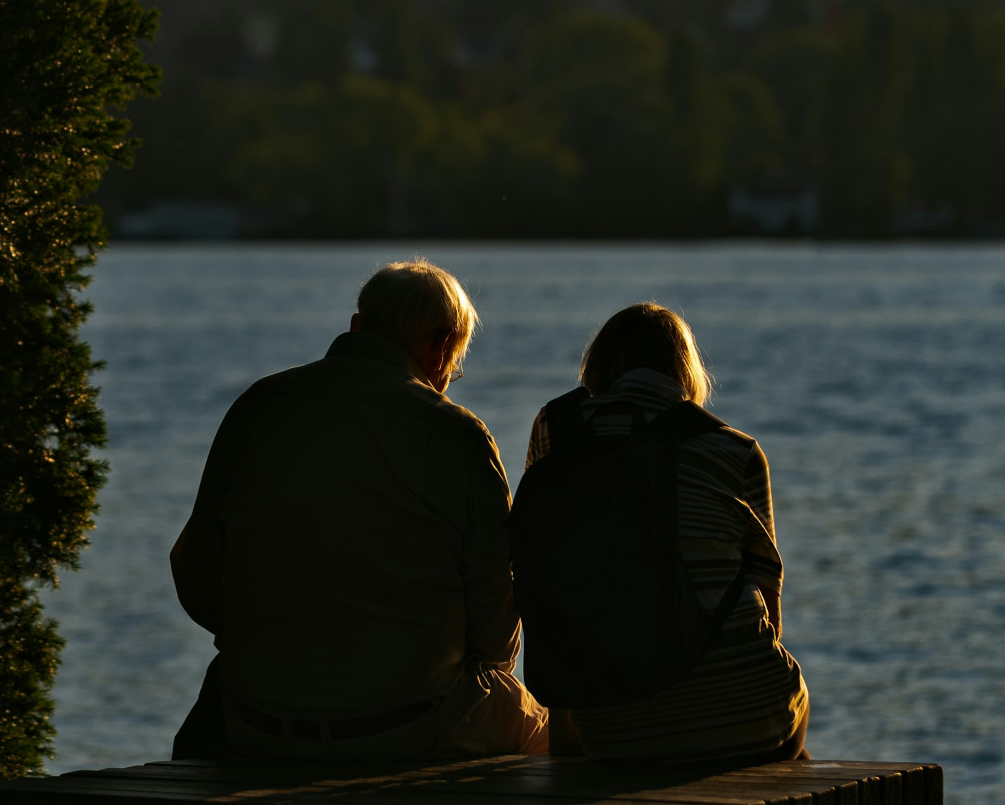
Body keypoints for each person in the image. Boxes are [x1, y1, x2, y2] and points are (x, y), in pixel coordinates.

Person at [170, 259, 547, 765]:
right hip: (408, 730)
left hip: (255, 723)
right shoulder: (457, 434)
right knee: (553, 732)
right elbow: (496, 625)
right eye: (453, 364)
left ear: (357, 326)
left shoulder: (259, 406)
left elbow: (194, 572)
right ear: (442, 345)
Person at [515, 302, 808, 762]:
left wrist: (568, 748)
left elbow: (548, 577)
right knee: (793, 716)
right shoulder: (736, 450)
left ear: (600, 365)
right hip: (747, 715)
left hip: (612, 726)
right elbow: (769, 610)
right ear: (685, 371)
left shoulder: (556, 429)